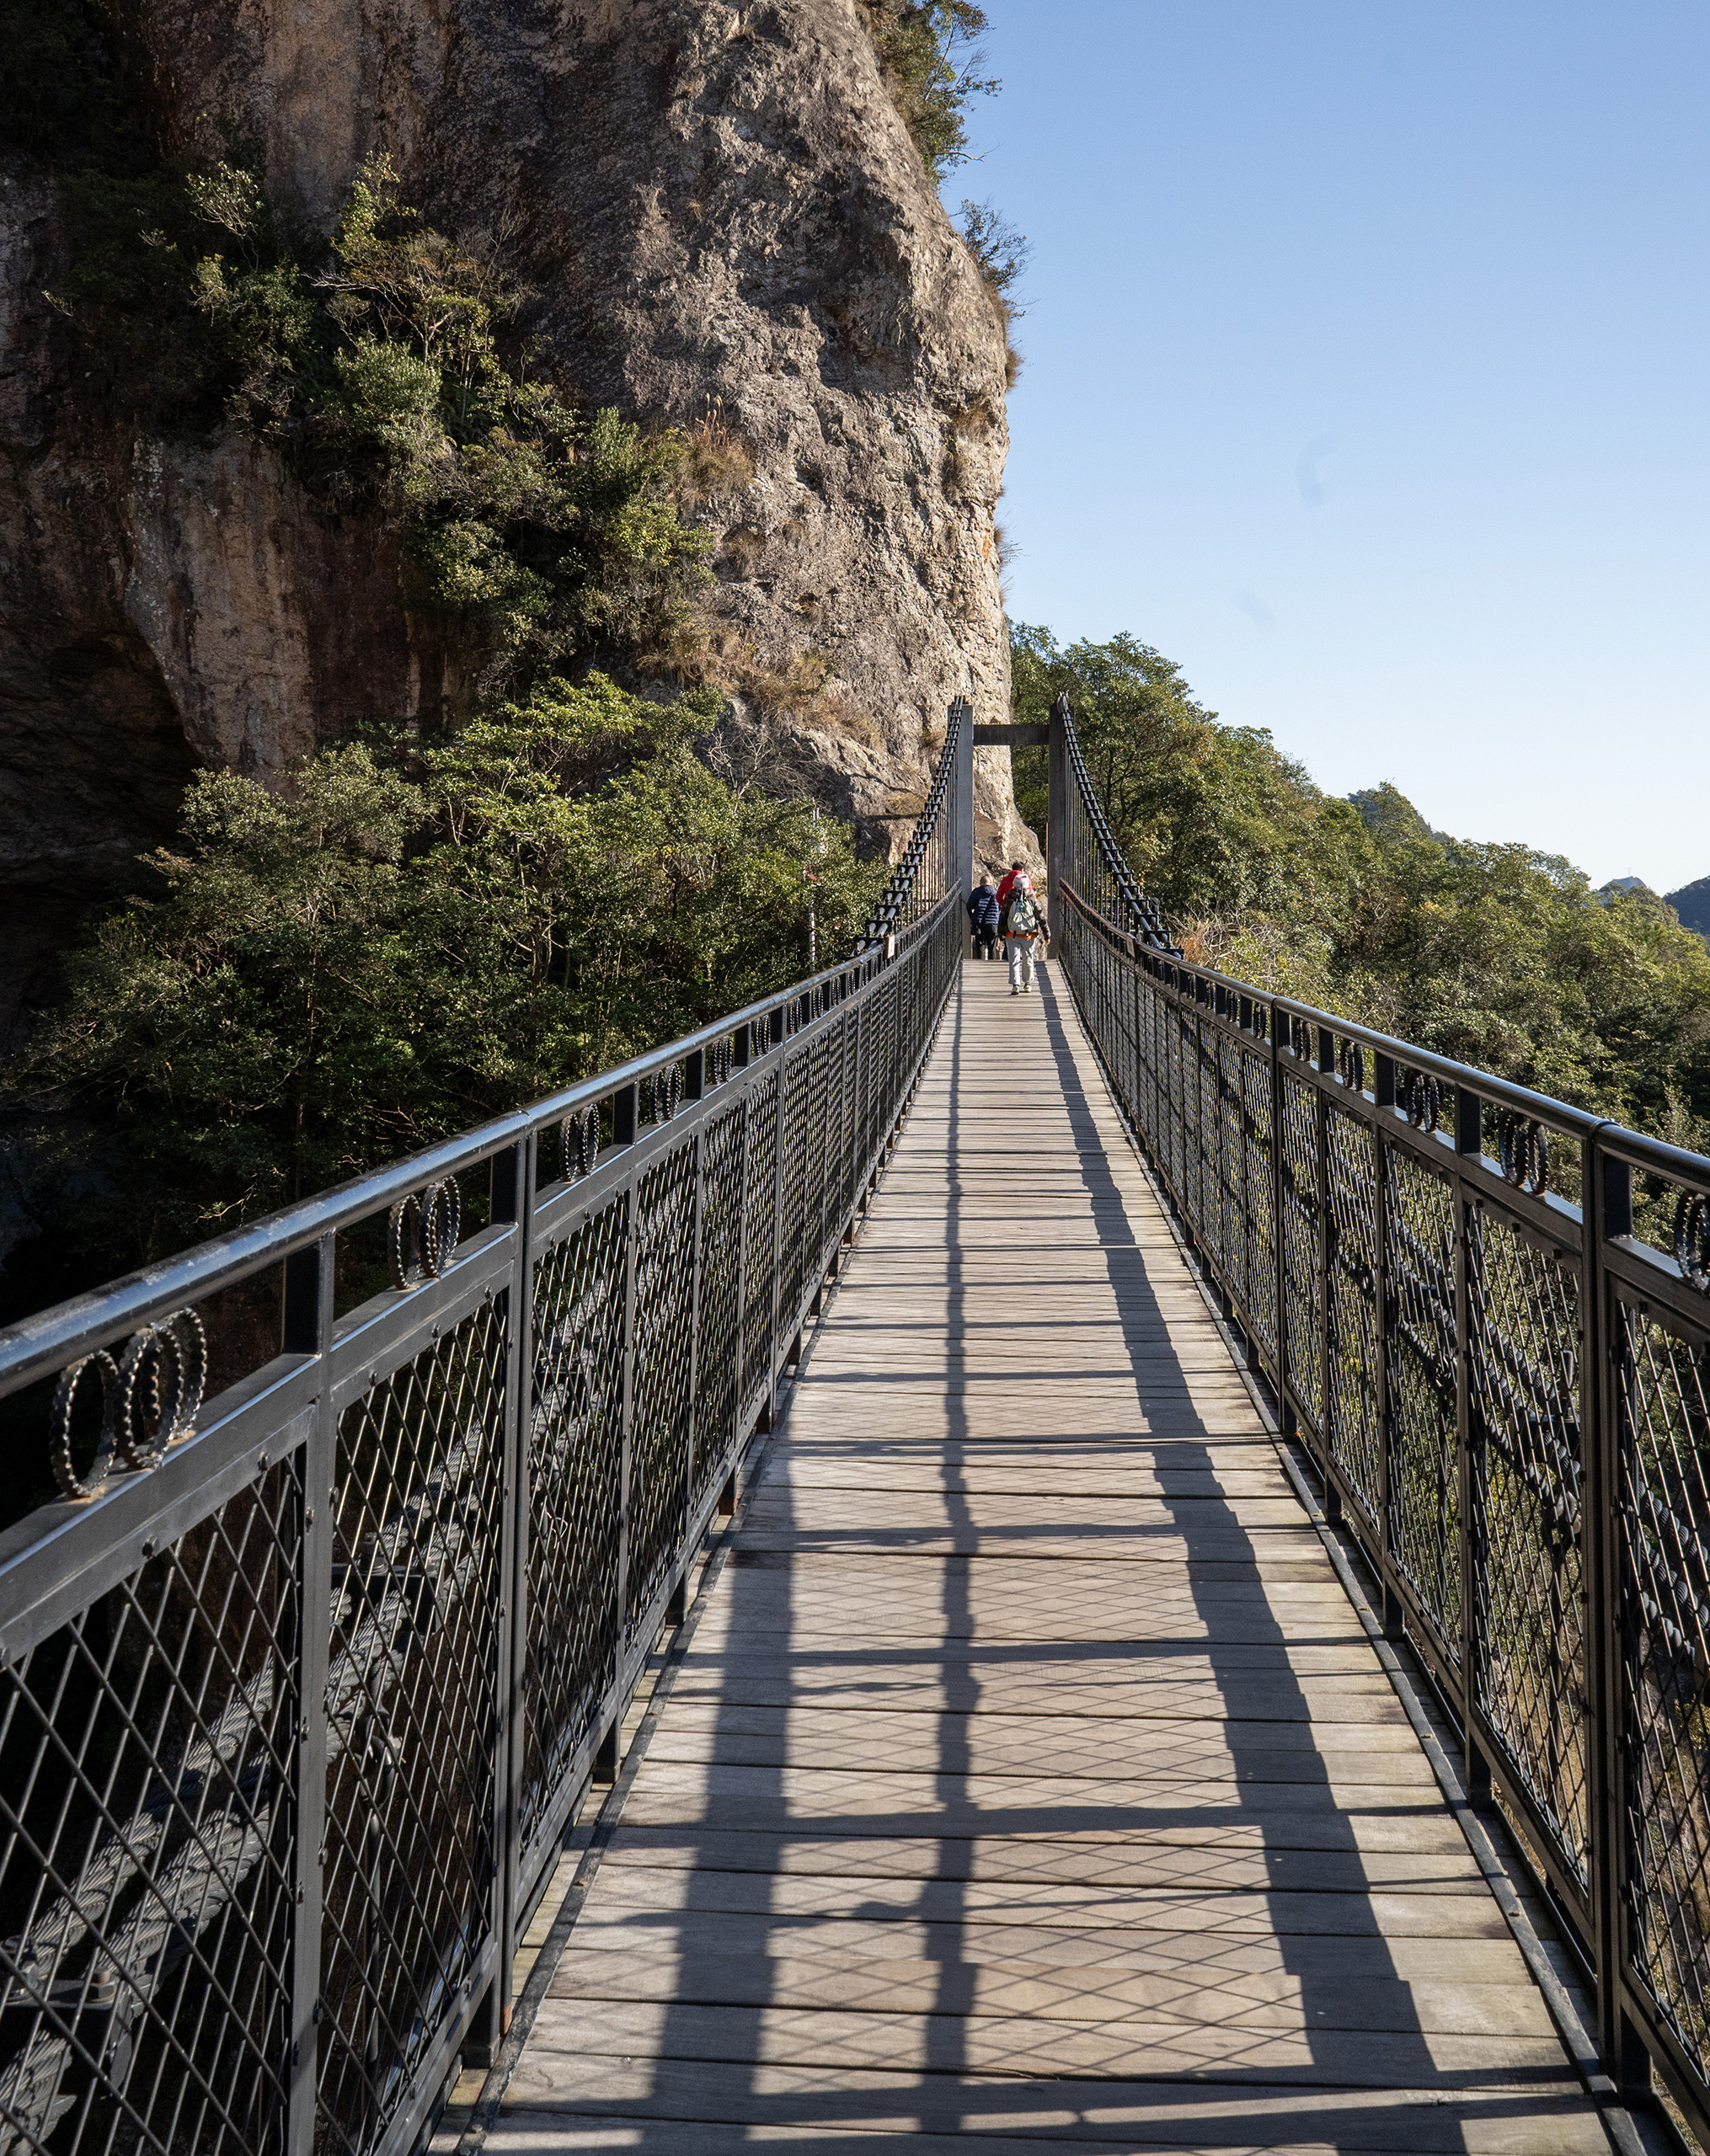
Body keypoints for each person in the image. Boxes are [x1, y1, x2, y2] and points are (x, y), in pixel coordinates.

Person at [1001, 869, 1048, 995]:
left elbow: (1003, 917)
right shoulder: (1032, 900)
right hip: (1029, 935)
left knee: (1014, 960)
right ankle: (1028, 984)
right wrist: (1047, 934)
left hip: (1012, 934)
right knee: (1028, 958)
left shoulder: (1009, 899)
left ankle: (1015, 985)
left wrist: (1001, 933)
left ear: (1014, 885)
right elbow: (1041, 918)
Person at [968, 876, 1002, 959]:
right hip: (993, 923)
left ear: (980, 883)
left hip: (980, 923)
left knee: (980, 946)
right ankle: (992, 966)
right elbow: (1000, 907)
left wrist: (973, 918)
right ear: (990, 883)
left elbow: (969, 906)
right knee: (992, 947)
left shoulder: (976, 892)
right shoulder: (996, 893)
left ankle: (980, 964)